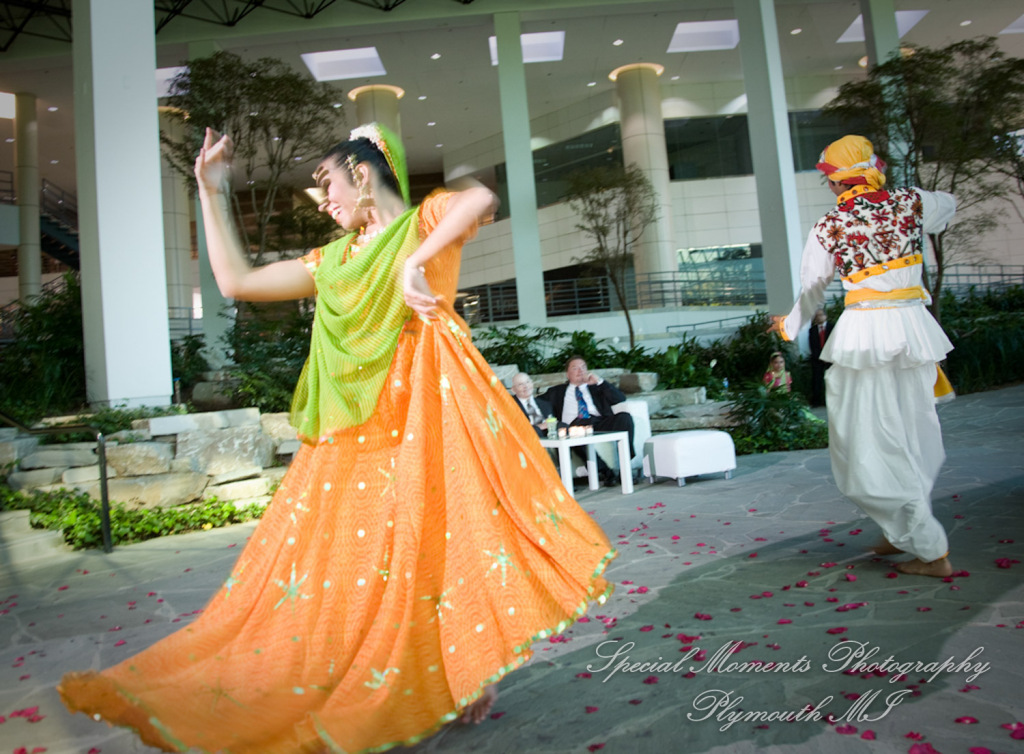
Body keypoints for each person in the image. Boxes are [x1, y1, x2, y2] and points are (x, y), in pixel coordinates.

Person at [59, 123, 616, 753]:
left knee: (438, 547)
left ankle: (461, 671)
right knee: (365, 565)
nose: (322, 200)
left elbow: (481, 198)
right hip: (357, 436)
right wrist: (211, 191)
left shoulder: (425, 223)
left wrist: (414, 263)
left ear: (361, 171)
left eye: (326, 182)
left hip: (429, 423)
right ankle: (399, 676)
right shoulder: (334, 261)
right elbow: (237, 282)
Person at [770, 134, 957, 578]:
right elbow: (949, 205)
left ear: (838, 182)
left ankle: (930, 550)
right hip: (912, 332)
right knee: (912, 434)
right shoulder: (911, 202)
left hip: (866, 336)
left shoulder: (830, 226)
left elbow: (812, 290)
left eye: (828, 179)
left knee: (864, 442)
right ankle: (902, 530)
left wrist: (788, 326)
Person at [542, 356, 635, 486]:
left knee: (624, 417)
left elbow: (620, 399)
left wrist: (600, 382)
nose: (580, 371)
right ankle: (605, 472)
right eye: (575, 368)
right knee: (576, 429)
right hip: (574, 426)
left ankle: (625, 468)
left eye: (583, 367)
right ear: (567, 374)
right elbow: (534, 403)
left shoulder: (596, 387)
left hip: (599, 422)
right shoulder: (556, 392)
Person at [510, 372, 553, 438]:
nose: (526, 386)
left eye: (527, 382)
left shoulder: (545, 404)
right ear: (513, 390)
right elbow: (516, 430)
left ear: (532, 383)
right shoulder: (510, 406)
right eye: (520, 384)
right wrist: (539, 427)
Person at [808, 308, 833, 406]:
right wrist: (820, 357)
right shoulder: (812, 330)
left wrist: (828, 356)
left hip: (831, 358)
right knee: (817, 379)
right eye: (817, 316)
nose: (819, 317)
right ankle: (817, 401)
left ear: (825, 316)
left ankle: (831, 400)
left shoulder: (832, 327)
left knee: (831, 379)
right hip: (817, 359)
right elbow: (812, 346)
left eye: (821, 315)